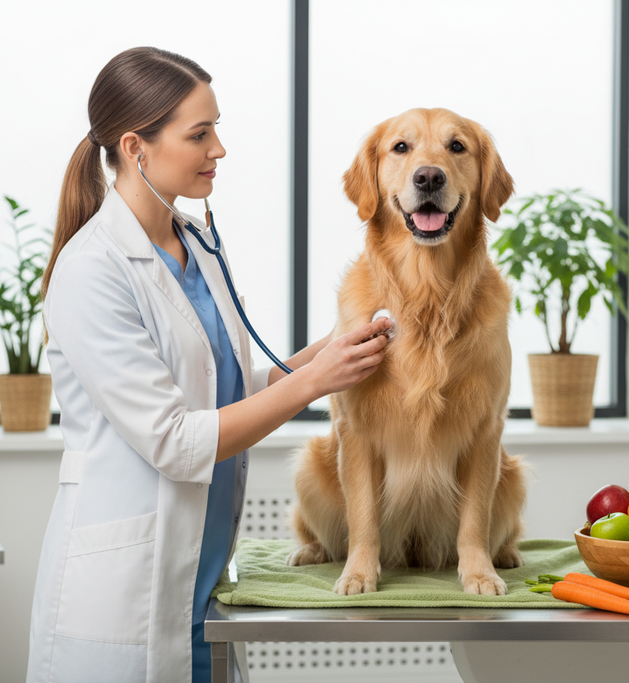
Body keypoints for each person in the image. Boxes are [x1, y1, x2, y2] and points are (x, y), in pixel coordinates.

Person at [25, 47, 391, 683]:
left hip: (204, 582)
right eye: (200, 134)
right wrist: (315, 379)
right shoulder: (90, 271)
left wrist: (338, 345)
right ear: (136, 147)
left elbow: (229, 388)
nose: (219, 148)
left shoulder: (196, 240)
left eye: (216, 128)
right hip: (127, 598)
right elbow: (174, 439)